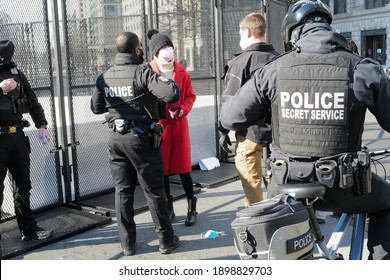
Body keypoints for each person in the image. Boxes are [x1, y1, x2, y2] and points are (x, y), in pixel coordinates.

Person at [220, 0, 390, 260]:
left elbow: (230, 117)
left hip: (285, 187)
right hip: (343, 188)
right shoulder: (362, 68)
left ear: (292, 32)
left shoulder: (273, 70)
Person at [90, 32, 181, 255]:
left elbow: (96, 107)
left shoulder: (105, 76)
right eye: (140, 47)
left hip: (116, 139)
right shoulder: (142, 72)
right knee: (154, 191)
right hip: (141, 140)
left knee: (123, 192)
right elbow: (172, 94)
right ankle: (165, 241)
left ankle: (127, 244)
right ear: (137, 50)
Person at [218, 13, 279, 207]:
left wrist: (223, 131)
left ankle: (258, 226)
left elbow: (229, 104)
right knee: (279, 184)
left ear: (247, 32)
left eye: (240, 34)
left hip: (250, 134)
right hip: (279, 135)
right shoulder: (280, 60)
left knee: (252, 187)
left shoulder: (240, 62)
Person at [0, 39, 52, 243]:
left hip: (18, 136)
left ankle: (28, 230)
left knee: (23, 184)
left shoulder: (17, 74)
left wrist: (41, 124)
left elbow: (32, 100)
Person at [147, 29, 198, 226]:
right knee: (163, 170)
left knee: (184, 168)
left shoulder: (182, 72)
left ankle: (191, 206)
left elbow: (190, 97)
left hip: (179, 127)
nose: (168, 51)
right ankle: (168, 207)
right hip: (160, 128)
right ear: (155, 52)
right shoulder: (149, 71)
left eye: (169, 47)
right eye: (163, 48)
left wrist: (182, 109)